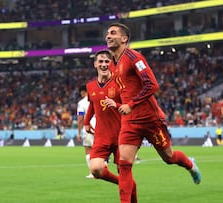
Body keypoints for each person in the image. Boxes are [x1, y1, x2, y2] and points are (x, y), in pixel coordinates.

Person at [104, 23, 201, 203]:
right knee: (124, 165)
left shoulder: (134, 57)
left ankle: (190, 165)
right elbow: (124, 91)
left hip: (150, 119)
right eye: (107, 33)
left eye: (113, 33)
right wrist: (117, 104)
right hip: (129, 122)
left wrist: (132, 104)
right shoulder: (112, 65)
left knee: (169, 157)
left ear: (124, 39)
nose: (108, 36)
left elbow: (152, 85)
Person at [84, 50, 137, 202]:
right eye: (100, 61)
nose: (104, 64)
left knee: (125, 172)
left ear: (111, 64)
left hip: (122, 134)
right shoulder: (91, 86)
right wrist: (87, 122)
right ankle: (126, 184)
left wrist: (117, 104)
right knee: (95, 170)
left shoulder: (120, 84)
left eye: (107, 61)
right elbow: (92, 104)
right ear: (95, 64)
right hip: (102, 135)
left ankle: (128, 189)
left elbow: (130, 106)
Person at [77, 85, 96, 178]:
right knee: (100, 149)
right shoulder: (96, 98)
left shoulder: (82, 103)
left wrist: (79, 133)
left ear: (82, 92)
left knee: (88, 149)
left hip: (88, 127)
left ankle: (93, 173)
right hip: (100, 127)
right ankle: (103, 168)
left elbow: (80, 118)